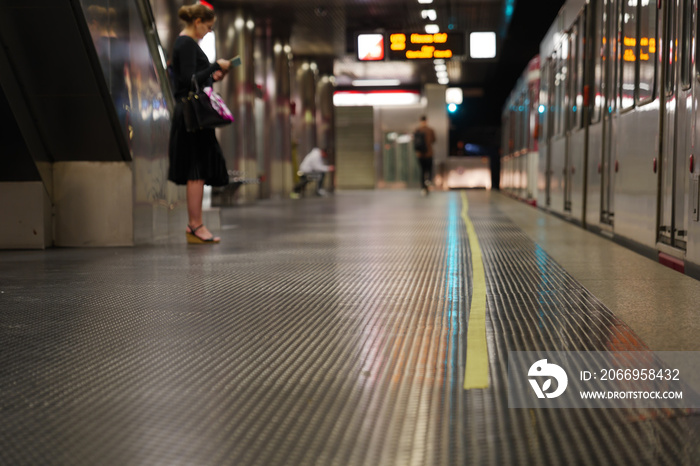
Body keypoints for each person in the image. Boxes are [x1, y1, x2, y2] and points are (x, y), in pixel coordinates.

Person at [168, 3, 231, 244]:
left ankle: (196, 225)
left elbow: (195, 77)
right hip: (190, 116)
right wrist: (215, 66)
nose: (208, 31)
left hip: (192, 116)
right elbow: (188, 80)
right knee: (195, 170)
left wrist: (214, 74)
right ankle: (195, 225)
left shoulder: (187, 44)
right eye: (208, 26)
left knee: (199, 169)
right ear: (197, 22)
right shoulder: (185, 44)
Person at [414, 115, 436, 196]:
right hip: (429, 154)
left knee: (422, 171)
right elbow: (434, 140)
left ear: (420, 121)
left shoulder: (417, 130)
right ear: (427, 120)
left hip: (420, 155)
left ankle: (423, 188)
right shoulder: (430, 130)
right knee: (429, 170)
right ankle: (428, 183)